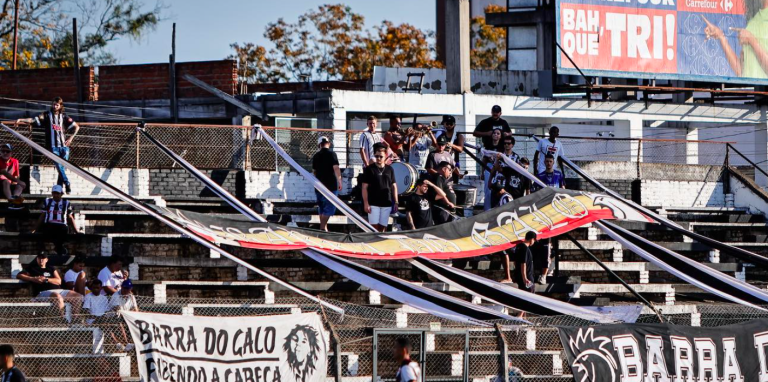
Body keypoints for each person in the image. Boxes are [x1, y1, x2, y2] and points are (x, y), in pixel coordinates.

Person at [17, 97, 80, 194]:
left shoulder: (64, 117)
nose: (55, 106)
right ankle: (67, 183)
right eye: (54, 104)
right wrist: (21, 119)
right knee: (59, 166)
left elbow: (77, 127)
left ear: (60, 106)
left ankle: (59, 190)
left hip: (64, 147)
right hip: (53, 147)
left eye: (57, 105)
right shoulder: (46, 115)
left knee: (61, 168)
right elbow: (33, 120)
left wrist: (71, 138)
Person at [703, 0, 768, 79]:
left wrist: (752, 41)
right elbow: (740, 71)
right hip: (748, 89)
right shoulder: (752, 22)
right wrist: (721, 37)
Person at [16, 252, 82, 316]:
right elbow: (19, 275)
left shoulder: (51, 268)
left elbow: (59, 281)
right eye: (39, 258)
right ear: (37, 259)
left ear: (46, 260)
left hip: (58, 290)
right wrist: (33, 279)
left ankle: (75, 320)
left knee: (77, 296)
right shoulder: (32, 268)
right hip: (42, 292)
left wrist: (46, 279)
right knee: (57, 297)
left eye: (43, 258)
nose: (41, 260)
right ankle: (62, 319)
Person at [33, 185, 81, 255]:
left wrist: (76, 231)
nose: (55, 195)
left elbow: (70, 217)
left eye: (57, 193)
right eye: (54, 193)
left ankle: (58, 248)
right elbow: (42, 216)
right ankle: (57, 249)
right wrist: (34, 229)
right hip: (49, 225)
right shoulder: (47, 201)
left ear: (61, 194)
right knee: (46, 230)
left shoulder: (66, 203)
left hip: (61, 225)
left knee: (63, 230)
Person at [361, 143, 398, 232]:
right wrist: (366, 203)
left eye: (380, 156)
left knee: (383, 226)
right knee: (374, 227)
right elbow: (364, 187)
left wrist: (396, 201)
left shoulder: (390, 169)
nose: (378, 158)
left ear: (385, 156)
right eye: (376, 156)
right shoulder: (369, 169)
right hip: (373, 202)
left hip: (386, 201)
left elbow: (394, 185)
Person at [312, 136, 342, 231]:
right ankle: (322, 227)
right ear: (328, 143)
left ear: (319, 145)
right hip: (330, 186)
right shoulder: (332, 154)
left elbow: (314, 171)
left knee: (322, 207)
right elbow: (336, 168)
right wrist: (340, 181)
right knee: (330, 208)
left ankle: (324, 227)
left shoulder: (316, 156)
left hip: (319, 185)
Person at [434, 115, 465, 182]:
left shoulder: (459, 136)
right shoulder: (441, 136)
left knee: (453, 183)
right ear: (444, 124)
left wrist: (452, 145)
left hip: (454, 164)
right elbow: (435, 146)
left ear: (454, 125)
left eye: (451, 124)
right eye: (447, 123)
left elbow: (460, 149)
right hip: (442, 163)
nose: (449, 125)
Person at [482, 128, 504, 211]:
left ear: (500, 136)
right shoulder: (488, 146)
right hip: (489, 167)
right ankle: (487, 209)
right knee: (488, 189)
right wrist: (482, 172)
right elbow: (484, 160)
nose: (496, 135)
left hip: (499, 168)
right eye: (494, 133)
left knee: (498, 188)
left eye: (498, 133)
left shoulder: (502, 147)